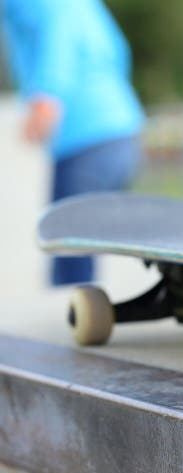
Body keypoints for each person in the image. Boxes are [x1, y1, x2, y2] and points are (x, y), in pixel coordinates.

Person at [2, 0, 144, 285]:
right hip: (123, 130)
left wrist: (47, 93)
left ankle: (74, 318)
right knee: (81, 248)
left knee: (68, 251)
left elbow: (57, 30)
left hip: (85, 137)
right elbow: (118, 50)